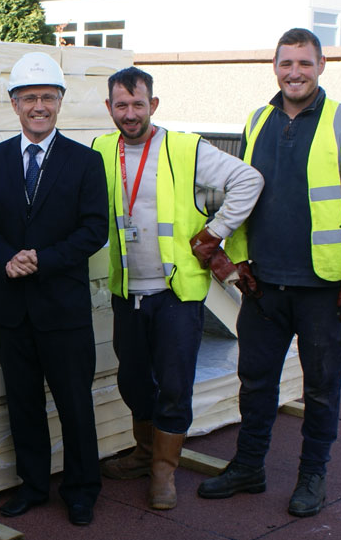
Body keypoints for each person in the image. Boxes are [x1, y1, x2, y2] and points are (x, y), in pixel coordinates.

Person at [197, 28, 341, 517]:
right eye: (286, 64)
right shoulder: (257, 121)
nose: (294, 72)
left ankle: (312, 476)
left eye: (304, 63)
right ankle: (249, 467)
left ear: (321, 65)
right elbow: (244, 192)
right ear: (274, 67)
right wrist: (234, 258)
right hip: (263, 285)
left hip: (324, 289)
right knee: (255, 383)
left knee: (322, 389)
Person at [92, 67, 264, 510]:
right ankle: (146, 453)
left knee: (173, 383)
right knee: (132, 381)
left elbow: (249, 180)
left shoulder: (185, 149)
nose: (130, 114)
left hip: (176, 294)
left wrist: (216, 233)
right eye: (121, 105)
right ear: (109, 108)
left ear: (154, 105)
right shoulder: (100, 149)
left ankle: (164, 473)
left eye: (138, 104)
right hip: (127, 291)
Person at [0, 52, 108, 526]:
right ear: (14, 103)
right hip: (12, 308)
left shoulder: (86, 162)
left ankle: (82, 489)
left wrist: (41, 260)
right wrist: (7, 257)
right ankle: (32, 486)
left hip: (61, 309)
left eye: (48, 97)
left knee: (74, 403)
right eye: (29, 98)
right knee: (23, 403)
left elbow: (94, 230)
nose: (39, 106)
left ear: (60, 101)